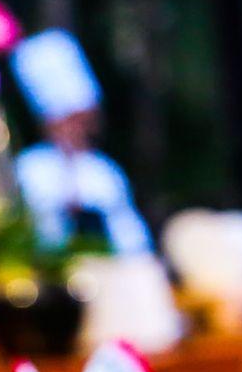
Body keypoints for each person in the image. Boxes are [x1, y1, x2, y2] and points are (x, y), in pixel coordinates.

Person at [11, 30, 152, 256]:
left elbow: (133, 243)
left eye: (81, 119)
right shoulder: (31, 170)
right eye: (68, 120)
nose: (76, 128)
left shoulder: (104, 172)